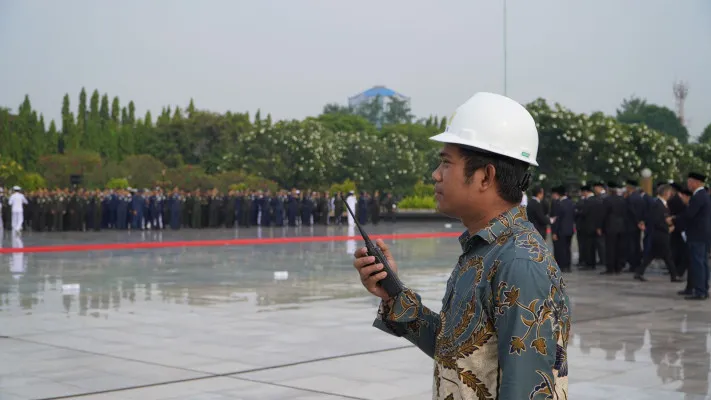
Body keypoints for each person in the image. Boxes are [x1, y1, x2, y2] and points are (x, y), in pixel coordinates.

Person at [352, 92, 570, 399]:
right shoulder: (485, 249)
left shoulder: (519, 263)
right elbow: (458, 353)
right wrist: (393, 293)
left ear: (485, 176)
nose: (435, 174)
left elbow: (528, 391)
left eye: (446, 163)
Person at [633, 184, 682, 282]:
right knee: (668, 256)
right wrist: (667, 228)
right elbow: (657, 220)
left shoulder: (661, 203)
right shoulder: (657, 204)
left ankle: (639, 272)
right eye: (669, 192)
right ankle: (674, 275)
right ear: (665, 193)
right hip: (660, 234)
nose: (670, 194)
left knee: (651, 255)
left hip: (659, 234)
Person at [674, 172, 710, 300]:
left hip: (697, 234)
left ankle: (700, 291)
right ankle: (703, 288)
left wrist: (674, 219)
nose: (688, 184)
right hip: (703, 234)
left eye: (690, 181)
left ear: (697, 182)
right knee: (703, 262)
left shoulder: (698, 196)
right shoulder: (703, 195)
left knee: (698, 262)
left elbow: (690, 214)